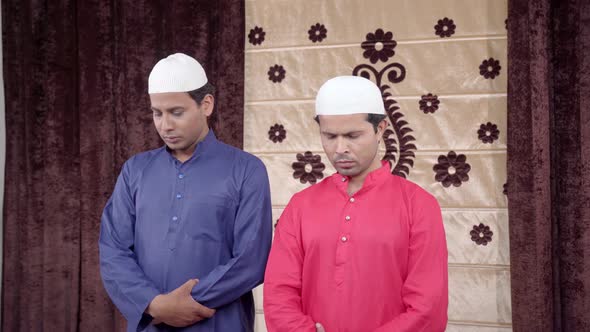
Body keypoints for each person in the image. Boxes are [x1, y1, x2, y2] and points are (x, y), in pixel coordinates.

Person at [99, 53, 272, 332]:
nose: (165, 125)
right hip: (151, 323)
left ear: (206, 104)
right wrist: (155, 305)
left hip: (219, 323)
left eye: (176, 112)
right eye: (157, 113)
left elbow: (251, 258)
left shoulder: (246, 170)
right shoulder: (136, 170)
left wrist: (183, 305)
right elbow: (113, 249)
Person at [263, 76, 448, 332]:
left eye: (353, 135)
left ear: (380, 128)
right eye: (329, 136)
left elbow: (428, 307)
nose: (340, 148)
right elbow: (279, 292)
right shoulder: (301, 205)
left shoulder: (418, 205)